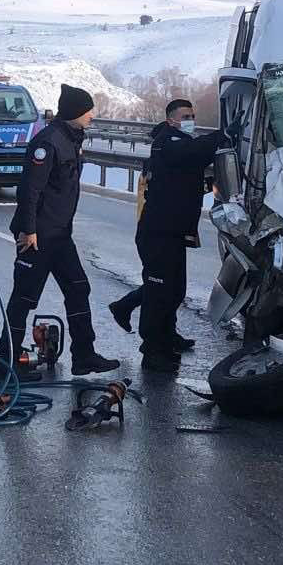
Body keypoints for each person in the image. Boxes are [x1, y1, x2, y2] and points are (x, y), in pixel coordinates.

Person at [0, 84, 120, 380]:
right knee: (23, 299)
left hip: (60, 235)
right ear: (76, 112)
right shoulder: (48, 142)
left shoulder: (72, 138)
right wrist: (28, 230)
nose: (92, 115)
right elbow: (30, 189)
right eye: (88, 109)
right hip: (37, 237)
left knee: (78, 288)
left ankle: (84, 356)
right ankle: (6, 364)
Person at [108, 98, 220, 371]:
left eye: (193, 115)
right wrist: (223, 134)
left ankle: (164, 334)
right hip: (156, 232)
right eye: (185, 115)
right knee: (160, 291)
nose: (190, 119)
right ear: (171, 119)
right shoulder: (167, 141)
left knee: (174, 289)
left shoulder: (180, 141)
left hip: (173, 231)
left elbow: (188, 172)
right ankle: (152, 348)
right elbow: (190, 153)